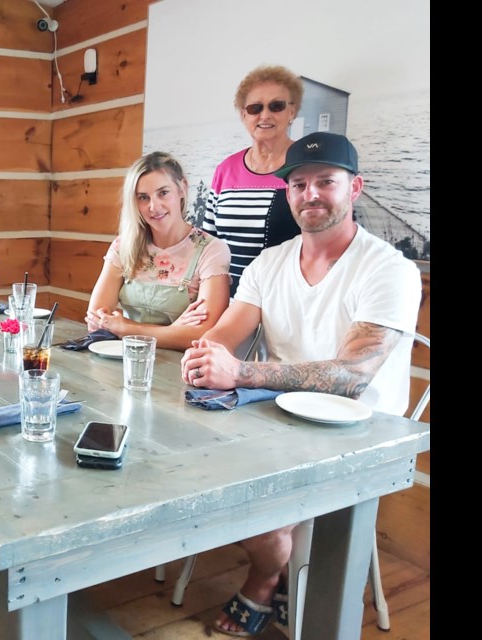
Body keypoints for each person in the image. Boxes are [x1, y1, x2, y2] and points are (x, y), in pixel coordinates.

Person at [180, 132, 421, 637]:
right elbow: (227, 332)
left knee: (259, 502)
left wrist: (241, 372)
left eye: (325, 182)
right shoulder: (271, 263)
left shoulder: (389, 269)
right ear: (287, 193)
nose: (310, 194)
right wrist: (208, 352)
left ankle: (265, 580)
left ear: (355, 188)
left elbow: (351, 376)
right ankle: (285, 567)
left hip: (364, 432)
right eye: (298, 184)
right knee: (190, 468)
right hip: (279, 416)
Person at [86, 151, 231, 350]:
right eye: (143, 197)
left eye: (163, 193)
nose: (154, 207)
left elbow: (204, 335)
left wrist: (125, 327)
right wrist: (173, 330)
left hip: (182, 371)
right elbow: (96, 319)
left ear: (182, 189)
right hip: (126, 362)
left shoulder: (211, 250)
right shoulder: (123, 246)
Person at [203, 65, 304, 296]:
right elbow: (208, 243)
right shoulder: (225, 170)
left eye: (276, 106)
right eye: (255, 107)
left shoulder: (306, 168)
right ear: (243, 115)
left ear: (292, 112)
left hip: (284, 300)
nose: (265, 115)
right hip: (225, 302)